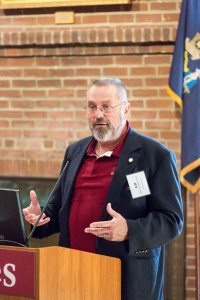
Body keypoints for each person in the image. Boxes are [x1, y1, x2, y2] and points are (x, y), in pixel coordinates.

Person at [23, 78, 183, 300]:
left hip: (126, 280)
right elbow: (60, 209)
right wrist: (41, 218)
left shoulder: (155, 155)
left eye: (106, 107)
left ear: (125, 109)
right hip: (71, 275)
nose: (98, 114)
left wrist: (129, 230)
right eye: (91, 106)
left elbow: (171, 221)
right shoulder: (75, 152)